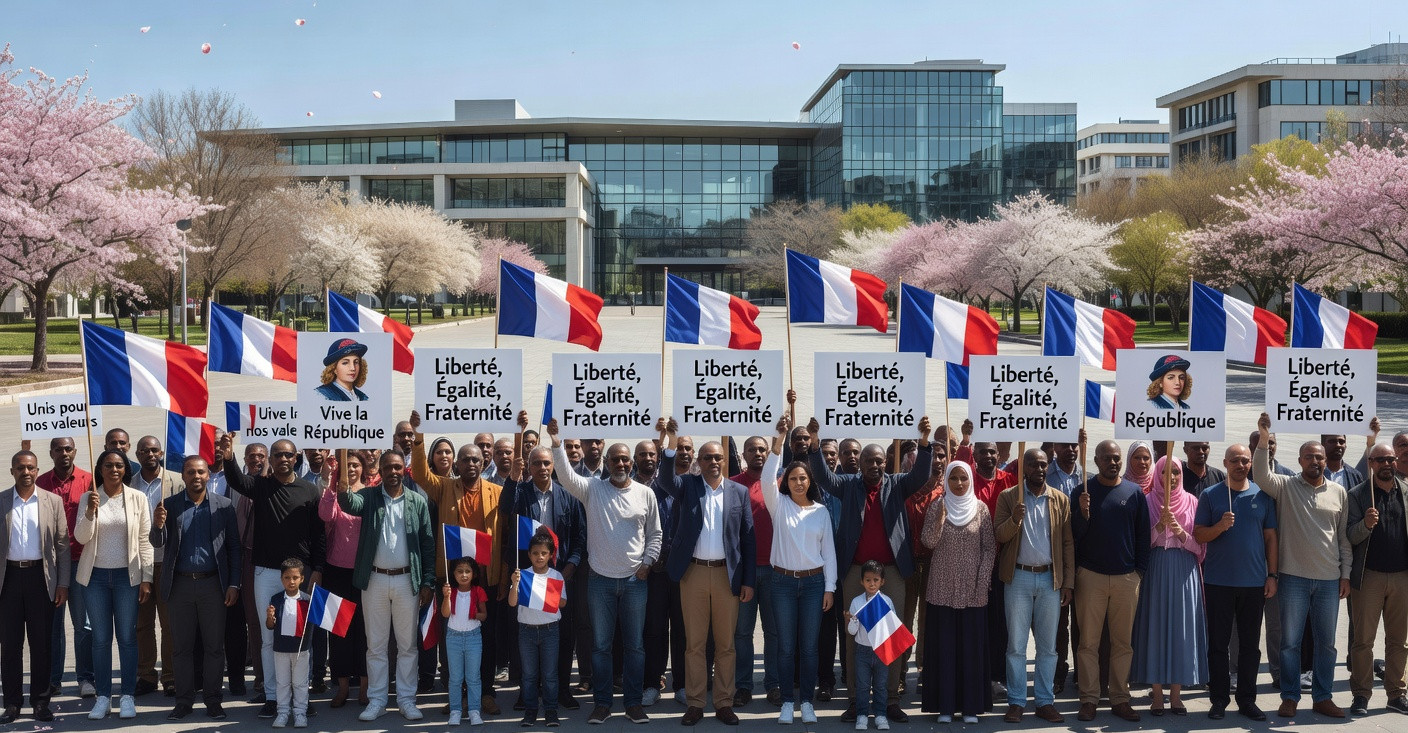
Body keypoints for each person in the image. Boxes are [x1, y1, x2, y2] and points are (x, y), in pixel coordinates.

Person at [806, 416, 933, 724]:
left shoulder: (898, 483)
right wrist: (813, 442)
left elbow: (920, 476)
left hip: (890, 574)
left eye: (879, 461)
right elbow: (823, 477)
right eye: (868, 461)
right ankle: (856, 700)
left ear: (885, 462)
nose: (874, 466)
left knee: (890, 638)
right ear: (859, 463)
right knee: (855, 637)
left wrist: (925, 442)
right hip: (855, 575)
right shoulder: (848, 486)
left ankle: (889, 700)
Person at [548, 419, 662, 725]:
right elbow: (566, 476)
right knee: (600, 647)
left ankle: (634, 704)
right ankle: (602, 704)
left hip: (635, 581)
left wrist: (647, 563)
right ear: (606, 463)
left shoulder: (645, 493)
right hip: (599, 581)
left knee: (635, 647)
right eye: (616, 459)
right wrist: (557, 443)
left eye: (625, 459)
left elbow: (655, 534)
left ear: (631, 461)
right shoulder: (592, 490)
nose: (621, 463)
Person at [1253, 412, 1352, 719]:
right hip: (1293, 578)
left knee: (1327, 645)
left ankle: (1323, 697)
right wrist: (1264, 436)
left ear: (1325, 461)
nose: (1315, 461)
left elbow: (1343, 540)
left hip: (1327, 580)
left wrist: (1345, 574)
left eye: (1319, 457)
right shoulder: (1284, 487)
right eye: (1309, 456)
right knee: (1290, 643)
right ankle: (1290, 697)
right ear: (1299, 460)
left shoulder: (1339, 492)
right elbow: (1259, 475)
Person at [220, 434, 326, 720]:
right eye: (277, 455)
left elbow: (319, 535)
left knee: (302, 639)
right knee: (270, 639)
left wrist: (317, 569)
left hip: (300, 575)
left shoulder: (310, 491)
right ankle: (272, 696)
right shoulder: (260, 486)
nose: (282, 459)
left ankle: (300, 697)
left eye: (288, 455)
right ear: (270, 459)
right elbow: (236, 481)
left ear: (296, 458)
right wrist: (228, 456)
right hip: (266, 572)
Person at [659, 434, 755, 727]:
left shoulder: (739, 492)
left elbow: (748, 540)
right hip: (694, 573)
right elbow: (665, 478)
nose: (713, 462)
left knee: (726, 644)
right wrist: (671, 444)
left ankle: (724, 702)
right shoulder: (686, 486)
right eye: (707, 458)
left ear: (725, 461)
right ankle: (696, 703)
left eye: (718, 458)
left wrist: (748, 581)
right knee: (695, 644)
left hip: (728, 575)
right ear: (698, 463)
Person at [337, 449, 437, 722]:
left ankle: (406, 700)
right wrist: (342, 455)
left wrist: (428, 581)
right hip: (375, 580)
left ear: (404, 470)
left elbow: (428, 543)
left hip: (408, 581)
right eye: (388, 468)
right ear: (379, 471)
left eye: (397, 467)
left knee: (407, 646)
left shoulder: (417, 501)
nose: (393, 472)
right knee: (376, 645)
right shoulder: (368, 497)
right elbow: (346, 503)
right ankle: (377, 700)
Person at [757, 416, 836, 725]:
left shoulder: (820, 512)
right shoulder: (780, 506)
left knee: (810, 647)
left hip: (815, 584)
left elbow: (828, 553)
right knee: (787, 647)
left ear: (810, 481)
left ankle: (807, 701)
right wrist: (778, 442)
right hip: (783, 584)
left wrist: (829, 587)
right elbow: (766, 480)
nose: (798, 483)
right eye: (793, 479)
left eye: (803, 479)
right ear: (786, 482)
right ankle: (788, 701)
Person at [152, 456, 241, 721]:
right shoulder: (169, 506)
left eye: (201, 472)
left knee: (214, 647)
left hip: (213, 584)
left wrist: (234, 583)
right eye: (191, 472)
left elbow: (234, 548)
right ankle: (184, 701)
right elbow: (157, 543)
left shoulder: (223, 506)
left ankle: (213, 700)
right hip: (179, 585)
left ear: (208, 475)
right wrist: (157, 525)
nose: (196, 476)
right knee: (181, 648)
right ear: (183, 475)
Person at [1193, 444, 1277, 721]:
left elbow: (1270, 539)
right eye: (1236, 461)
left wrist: (1272, 575)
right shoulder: (1210, 495)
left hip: (1253, 582)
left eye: (1246, 461)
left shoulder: (1262, 495)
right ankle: (1218, 699)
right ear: (1225, 463)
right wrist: (1219, 526)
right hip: (1218, 581)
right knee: (1218, 644)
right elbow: (1199, 535)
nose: (1241, 465)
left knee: (1250, 646)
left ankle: (1247, 699)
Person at [1071, 440, 1148, 723]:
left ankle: (1119, 698)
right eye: (1107, 458)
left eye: (1116, 458)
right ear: (1096, 460)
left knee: (1122, 643)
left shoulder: (1134, 492)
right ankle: (1089, 699)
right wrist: (1082, 514)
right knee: (1088, 643)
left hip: (1127, 578)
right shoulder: (1083, 491)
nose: (1113, 462)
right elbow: (1074, 536)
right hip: (1090, 577)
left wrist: (1139, 571)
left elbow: (1143, 536)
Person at [994, 448, 1072, 724]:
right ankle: (1016, 701)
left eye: (1043, 464)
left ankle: (1044, 700)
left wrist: (1068, 583)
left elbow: (1066, 544)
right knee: (1015, 645)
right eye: (1033, 464)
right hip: (1018, 578)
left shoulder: (1060, 500)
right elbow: (999, 535)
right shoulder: (1009, 497)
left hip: (1050, 579)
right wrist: (1015, 518)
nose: (1039, 469)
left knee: (1048, 647)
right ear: (1023, 468)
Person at [507, 445, 586, 714]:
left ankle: (561, 689)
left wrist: (569, 570)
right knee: (527, 633)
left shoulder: (568, 496)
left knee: (560, 635)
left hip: (558, 575)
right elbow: (507, 516)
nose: (542, 468)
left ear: (554, 465)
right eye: (537, 463)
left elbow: (579, 538)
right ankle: (526, 692)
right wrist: (512, 479)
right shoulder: (520, 494)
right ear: (529, 467)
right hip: (529, 576)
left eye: (547, 463)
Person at [76, 449, 153, 720]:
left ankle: (128, 696)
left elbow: (145, 540)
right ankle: (103, 698)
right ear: (100, 469)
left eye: (119, 465)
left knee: (128, 638)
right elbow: (81, 537)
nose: (114, 470)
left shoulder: (138, 498)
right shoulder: (89, 497)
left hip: (126, 578)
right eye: (108, 465)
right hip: (95, 578)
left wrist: (146, 578)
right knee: (100, 639)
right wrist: (89, 512)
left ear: (125, 469)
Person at [1130, 456, 1208, 714]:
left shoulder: (1193, 502)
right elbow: (1140, 544)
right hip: (1155, 569)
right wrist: (1158, 527)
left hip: (1184, 571)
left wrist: (1179, 532)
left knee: (1180, 629)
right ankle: (1156, 695)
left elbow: (1201, 548)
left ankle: (1176, 695)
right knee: (1155, 626)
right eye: (1165, 472)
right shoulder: (1147, 501)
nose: (1171, 477)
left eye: (1175, 472)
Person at [919, 460, 995, 724]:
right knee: (945, 649)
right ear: (947, 481)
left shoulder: (982, 509)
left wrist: (982, 580)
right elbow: (928, 541)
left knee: (970, 649)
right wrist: (939, 519)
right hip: (942, 588)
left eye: (964, 478)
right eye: (954, 479)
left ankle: (971, 707)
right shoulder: (938, 506)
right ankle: (945, 707)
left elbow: (989, 548)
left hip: (973, 591)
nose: (959, 483)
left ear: (970, 479)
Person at [0, 450, 70, 725]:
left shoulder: (52, 501)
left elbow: (63, 547)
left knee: (42, 645)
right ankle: (12, 704)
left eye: (30, 467)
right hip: (9, 581)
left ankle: (41, 702)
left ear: (37, 470)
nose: (25, 472)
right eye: (20, 468)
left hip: (41, 580)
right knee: (10, 646)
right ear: (12, 471)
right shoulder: (2, 501)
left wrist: (62, 583)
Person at [1346, 443, 1408, 716]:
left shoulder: (1406, 492)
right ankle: (1361, 695)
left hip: (1402, 576)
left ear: (1395, 461)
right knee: (1363, 641)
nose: (1386, 463)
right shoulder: (1358, 495)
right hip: (1368, 576)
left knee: (1399, 641)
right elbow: (1348, 535)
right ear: (1370, 462)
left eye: (1390, 459)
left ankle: (1396, 694)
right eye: (1379, 459)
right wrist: (1365, 525)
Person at [37, 436, 94, 699]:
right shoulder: (40, 482)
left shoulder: (88, 479)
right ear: (51, 453)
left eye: (68, 448)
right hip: (53, 564)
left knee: (83, 625)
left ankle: (85, 678)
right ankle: (53, 680)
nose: (64, 453)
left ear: (75, 451)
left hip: (82, 560)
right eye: (58, 449)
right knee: (53, 626)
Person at [316, 452, 370, 708]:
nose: (351, 469)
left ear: (363, 468)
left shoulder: (371, 493)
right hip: (336, 571)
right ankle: (342, 688)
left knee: (364, 631)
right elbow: (326, 516)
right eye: (347, 465)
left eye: (356, 465)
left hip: (365, 572)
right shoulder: (334, 493)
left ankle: (365, 688)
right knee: (339, 631)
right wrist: (332, 483)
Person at [728, 435, 777, 709]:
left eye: (762, 449)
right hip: (744, 572)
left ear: (769, 453)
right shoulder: (731, 484)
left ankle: (773, 685)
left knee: (774, 633)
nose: (758, 453)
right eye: (752, 450)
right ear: (744, 454)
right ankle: (743, 686)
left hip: (774, 570)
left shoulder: (779, 484)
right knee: (742, 633)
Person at [131, 435, 181, 697]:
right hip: (139, 563)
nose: (149, 454)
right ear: (137, 455)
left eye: (153, 450)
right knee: (142, 625)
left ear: (161, 453)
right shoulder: (129, 484)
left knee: (169, 624)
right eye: (144, 450)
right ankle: (146, 675)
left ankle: (170, 676)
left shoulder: (177, 481)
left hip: (168, 562)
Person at [650, 429, 691, 706]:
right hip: (655, 571)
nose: (684, 452)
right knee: (654, 630)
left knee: (682, 630)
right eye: (680, 448)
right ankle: (652, 683)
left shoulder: (696, 486)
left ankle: (682, 684)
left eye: (688, 448)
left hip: (685, 572)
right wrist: (667, 442)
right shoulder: (654, 487)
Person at [509, 528, 566, 728]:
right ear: (529, 554)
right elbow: (511, 602)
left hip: (550, 630)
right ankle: (531, 710)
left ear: (550, 555)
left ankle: (551, 711)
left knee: (550, 675)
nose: (539, 557)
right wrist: (515, 584)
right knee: (529, 675)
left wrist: (547, 594)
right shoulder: (522, 575)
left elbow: (563, 603)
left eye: (544, 553)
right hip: (527, 631)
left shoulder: (557, 575)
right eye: (535, 553)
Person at [847, 560, 897, 731]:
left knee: (880, 685)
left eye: (876, 580)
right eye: (868, 580)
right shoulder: (856, 602)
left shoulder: (887, 601)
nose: (872, 583)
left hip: (881, 650)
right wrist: (853, 621)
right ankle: (862, 715)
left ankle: (880, 715)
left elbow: (893, 627)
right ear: (861, 581)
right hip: (862, 651)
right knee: (862, 685)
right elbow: (852, 632)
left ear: (882, 581)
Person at [265, 557, 310, 728]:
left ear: (302, 579)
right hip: (281, 649)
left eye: (295, 578)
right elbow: (270, 626)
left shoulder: (307, 600)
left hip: (301, 650)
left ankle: (300, 713)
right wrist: (270, 618)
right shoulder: (276, 599)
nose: (291, 581)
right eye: (287, 578)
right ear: (281, 578)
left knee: (300, 683)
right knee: (282, 683)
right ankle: (283, 712)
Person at [443, 557, 488, 725]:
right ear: (453, 574)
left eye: (467, 571)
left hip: (473, 637)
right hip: (453, 637)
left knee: (473, 677)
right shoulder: (451, 592)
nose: (463, 575)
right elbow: (445, 614)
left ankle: (474, 710)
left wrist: (475, 615)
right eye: (459, 571)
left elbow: (484, 615)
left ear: (473, 574)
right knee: (455, 678)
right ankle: (455, 710)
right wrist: (446, 597)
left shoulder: (478, 591)